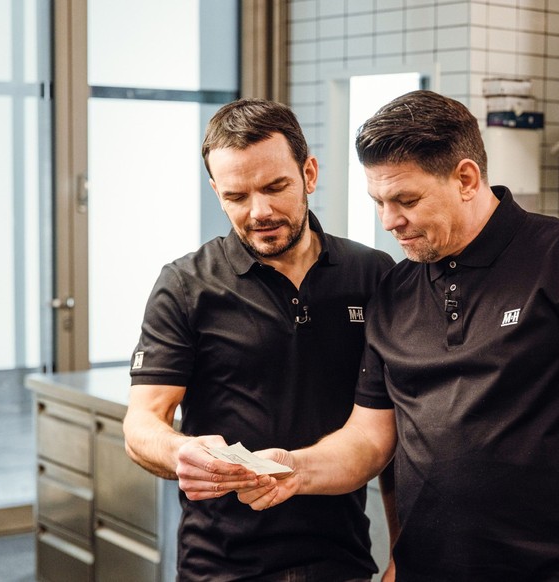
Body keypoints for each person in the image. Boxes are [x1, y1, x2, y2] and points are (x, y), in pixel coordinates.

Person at [234, 90, 559, 581]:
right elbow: (370, 441)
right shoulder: (395, 290)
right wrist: (294, 468)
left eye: (407, 200)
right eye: (379, 202)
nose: (390, 221)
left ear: (465, 178)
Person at [122, 98, 396, 581]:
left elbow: (396, 434)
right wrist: (178, 452)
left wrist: (403, 554)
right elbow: (143, 422)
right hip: (222, 563)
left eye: (276, 187)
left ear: (309, 173)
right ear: (216, 191)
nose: (259, 211)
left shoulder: (372, 275)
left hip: (341, 557)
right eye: (236, 196)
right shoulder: (186, 285)